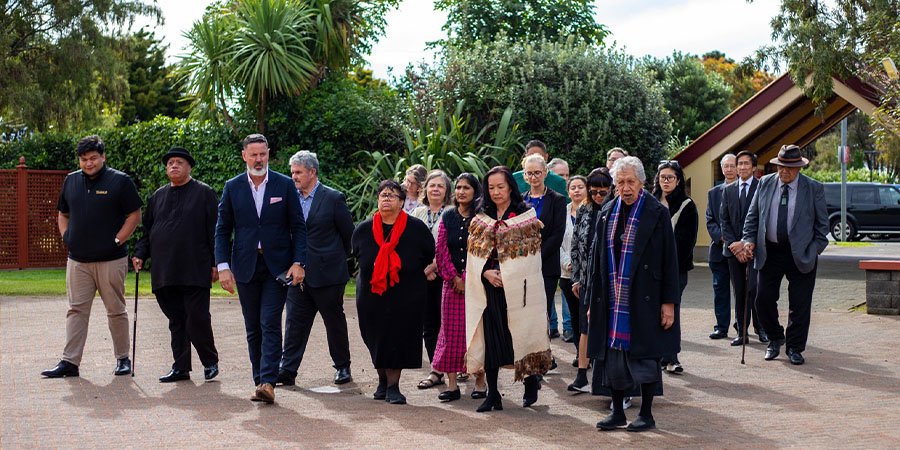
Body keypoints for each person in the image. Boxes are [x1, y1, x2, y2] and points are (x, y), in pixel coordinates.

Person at [588, 156, 680, 432]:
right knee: (613, 358)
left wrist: (669, 303)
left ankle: (646, 414)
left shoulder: (657, 212)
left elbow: (669, 261)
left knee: (645, 356)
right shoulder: (606, 212)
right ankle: (617, 412)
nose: (625, 187)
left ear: (641, 182)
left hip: (645, 296)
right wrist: (593, 302)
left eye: (630, 182)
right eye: (620, 182)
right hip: (612, 298)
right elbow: (597, 262)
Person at [215, 134, 307, 404]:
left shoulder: (284, 184)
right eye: (253, 154)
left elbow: (298, 227)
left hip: (277, 268)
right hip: (244, 266)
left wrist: (299, 262)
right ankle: (260, 381)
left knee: (269, 322)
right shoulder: (232, 187)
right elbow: (222, 230)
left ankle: (268, 380)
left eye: (263, 154)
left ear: (269, 154)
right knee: (253, 327)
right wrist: (223, 267)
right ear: (244, 155)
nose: (258, 159)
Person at [42, 135, 142, 378]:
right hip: (78, 261)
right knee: (76, 310)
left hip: (111, 259)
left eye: (93, 158)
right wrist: (66, 237)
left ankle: (122, 359)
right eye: (84, 159)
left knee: (116, 310)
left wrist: (118, 239)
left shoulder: (120, 181)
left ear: (103, 156)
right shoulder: (70, 181)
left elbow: (134, 214)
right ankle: (70, 362)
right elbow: (62, 214)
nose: (88, 163)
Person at [465, 166, 552, 412]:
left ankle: (531, 379)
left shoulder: (525, 214)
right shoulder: (481, 214)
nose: (495, 192)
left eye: (500, 187)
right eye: (491, 187)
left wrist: (511, 273)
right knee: (492, 339)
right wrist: (484, 272)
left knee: (519, 334)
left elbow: (533, 258)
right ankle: (493, 394)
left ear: (511, 187)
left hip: (520, 290)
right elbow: (474, 255)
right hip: (490, 288)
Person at [132, 147, 220, 383]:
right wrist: (140, 253)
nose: (173, 166)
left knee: (196, 318)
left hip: (194, 268)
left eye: (179, 162)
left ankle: (210, 360)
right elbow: (147, 232)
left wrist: (216, 264)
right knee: (176, 319)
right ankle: (180, 367)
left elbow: (215, 231)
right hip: (165, 270)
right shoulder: (157, 197)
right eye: (170, 162)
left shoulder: (204, 194)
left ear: (189, 166)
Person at [737, 145, 828, 365]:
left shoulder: (813, 188)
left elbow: (822, 225)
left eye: (789, 168)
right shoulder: (766, 183)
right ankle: (775, 338)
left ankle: (795, 348)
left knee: (800, 304)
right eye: (780, 167)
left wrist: (814, 249)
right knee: (762, 299)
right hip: (770, 251)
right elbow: (752, 217)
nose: (784, 172)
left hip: (802, 252)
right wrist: (748, 240)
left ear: (799, 168)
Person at [352, 180, 435, 404]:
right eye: (383, 195)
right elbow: (357, 253)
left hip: (406, 294)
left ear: (402, 202)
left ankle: (393, 387)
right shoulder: (364, 228)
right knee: (374, 336)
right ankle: (382, 381)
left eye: (392, 195)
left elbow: (429, 252)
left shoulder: (416, 228)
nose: (386, 198)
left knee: (399, 336)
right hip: (371, 294)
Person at [277, 150, 354, 387]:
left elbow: (348, 236)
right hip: (297, 276)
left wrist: (332, 261)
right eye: (292, 172)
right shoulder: (288, 198)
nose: (294, 177)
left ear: (312, 172)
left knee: (334, 322)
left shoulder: (333, 198)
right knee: (294, 323)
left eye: (298, 172)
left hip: (328, 275)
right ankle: (287, 370)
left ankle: (342, 367)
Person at [432, 173, 486, 401]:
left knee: (476, 333)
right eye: (459, 188)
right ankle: (452, 385)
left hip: (477, 283)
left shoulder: (482, 217)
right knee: (450, 335)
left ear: (475, 191)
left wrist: (469, 277)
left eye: (466, 188)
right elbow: (441, 249)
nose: (461, 192)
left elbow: (484, 249)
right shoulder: (448, 216)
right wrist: (454, 278)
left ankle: (480, 382)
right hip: (451, 285)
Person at [567, 168, 612, 395]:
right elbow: (576, 245)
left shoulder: (616, 209)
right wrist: (576, 277)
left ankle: (606, 375)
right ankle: (582, 375)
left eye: (602, 192)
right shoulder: (584, 209)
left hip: (610, 281)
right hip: (586, 279)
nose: (597, 196)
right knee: (585, 327)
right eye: (593, 191)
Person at [652, 160, 697, 374]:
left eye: (670, 178)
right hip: (649, 269)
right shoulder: (650, 202)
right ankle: (655, 355)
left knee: (671, 310)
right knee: (651, 311)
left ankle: (671, 358)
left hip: (676, 269)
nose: (666, 181)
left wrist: (667, 264)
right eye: (662, 178)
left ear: (678, 180)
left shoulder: (687, 205)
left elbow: (686, 243)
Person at [720, 151, 769, 346]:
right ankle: (742, 332)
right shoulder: (728, 190)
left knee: (756, 291)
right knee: (739, 292)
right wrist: (735, 245)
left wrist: (748, 243)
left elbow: (763, 219)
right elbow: (724, 220)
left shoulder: (762, 188)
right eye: (739, 164)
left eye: (746, 164)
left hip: (755, 250)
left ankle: (761, 328)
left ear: (754, 167)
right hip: (734, 252)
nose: (741, 168)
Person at [411, 169, 453, 390]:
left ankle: (458, 365)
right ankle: (436, 371)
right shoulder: (416, 212)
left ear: (447, 191)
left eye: (440, 186)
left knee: (450, 323)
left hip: (446, 275)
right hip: (422, 276)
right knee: (429, 325)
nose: (435, 189)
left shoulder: (453, 213)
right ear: (425, 189)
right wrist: (424, 269)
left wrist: (435, 265)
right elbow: (410, 244)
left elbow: (454, 245)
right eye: (432, 185)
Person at [521, 154, 567, 343]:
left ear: (545, 172)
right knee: (525, 312)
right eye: (529, 173)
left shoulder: (557, 199)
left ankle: (543, 355)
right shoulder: (520, 200)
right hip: (523, 266)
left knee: (542, 312)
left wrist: (537, 257)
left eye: (537, 172)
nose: (533, 177)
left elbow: (557, 234)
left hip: (546, 265)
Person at [706, 154, 737, 340]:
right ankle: (721, 327)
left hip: (740, 251)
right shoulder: (713, 193)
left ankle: (742, 327)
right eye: (726, 166)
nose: (729, 169)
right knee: (720, 290)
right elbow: (710, 220)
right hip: (719, 251)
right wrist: (724, 239)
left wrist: (737, 243)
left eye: (732, 165)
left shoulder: (746, 190)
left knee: (742, 292)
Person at [559, 175, 587, 350]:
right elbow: (557, 243)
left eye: (580, 187)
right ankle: (579, 352)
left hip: (587, 274)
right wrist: (567, 262)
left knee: (587, 315)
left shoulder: (594, 212)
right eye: (573, 187)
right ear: (568, 192)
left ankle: (590, 352)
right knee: (575, 316)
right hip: (566, 273)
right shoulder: (562, 214)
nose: (576, 190)